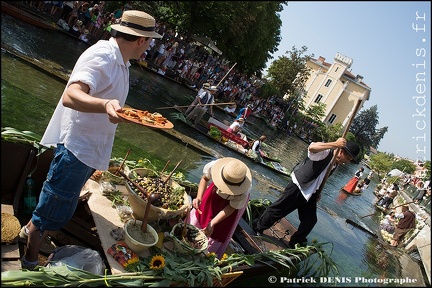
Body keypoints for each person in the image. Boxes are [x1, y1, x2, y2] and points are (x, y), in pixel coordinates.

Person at [19, 10, 162, 270]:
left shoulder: (121, 62)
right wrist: (106, 104)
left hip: (88, 150)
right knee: (50, 210)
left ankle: (28, 233)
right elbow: (71, 95)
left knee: (60, 204)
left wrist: (115, 109)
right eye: (150, 40)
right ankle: (29, 260)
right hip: (76, 149)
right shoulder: (103, 56)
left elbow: (105, 101)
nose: (150, 46)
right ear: (141, 39)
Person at [253, 138, 360, 248]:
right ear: (341, 152)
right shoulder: (326, 152)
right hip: (299, 186)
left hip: (310, 192)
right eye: (348, 158)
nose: (347, 162)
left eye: (349, 160)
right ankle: (258, 227)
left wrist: (317, 192)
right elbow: (312, 147)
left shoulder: (335, 164)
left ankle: (294, 242)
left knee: (310, 221)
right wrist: (335, 144)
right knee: (279, 209)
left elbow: (320, 177)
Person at [186, 157, 252, 258]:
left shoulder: (243, 192)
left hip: (231, 205)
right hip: (213, 195)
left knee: (218, 229)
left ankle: (205, 253)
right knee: (202, 214)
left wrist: (212, 223)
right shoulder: (216, 166)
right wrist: (199, 197)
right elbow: (205, 178)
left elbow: (231, 207)